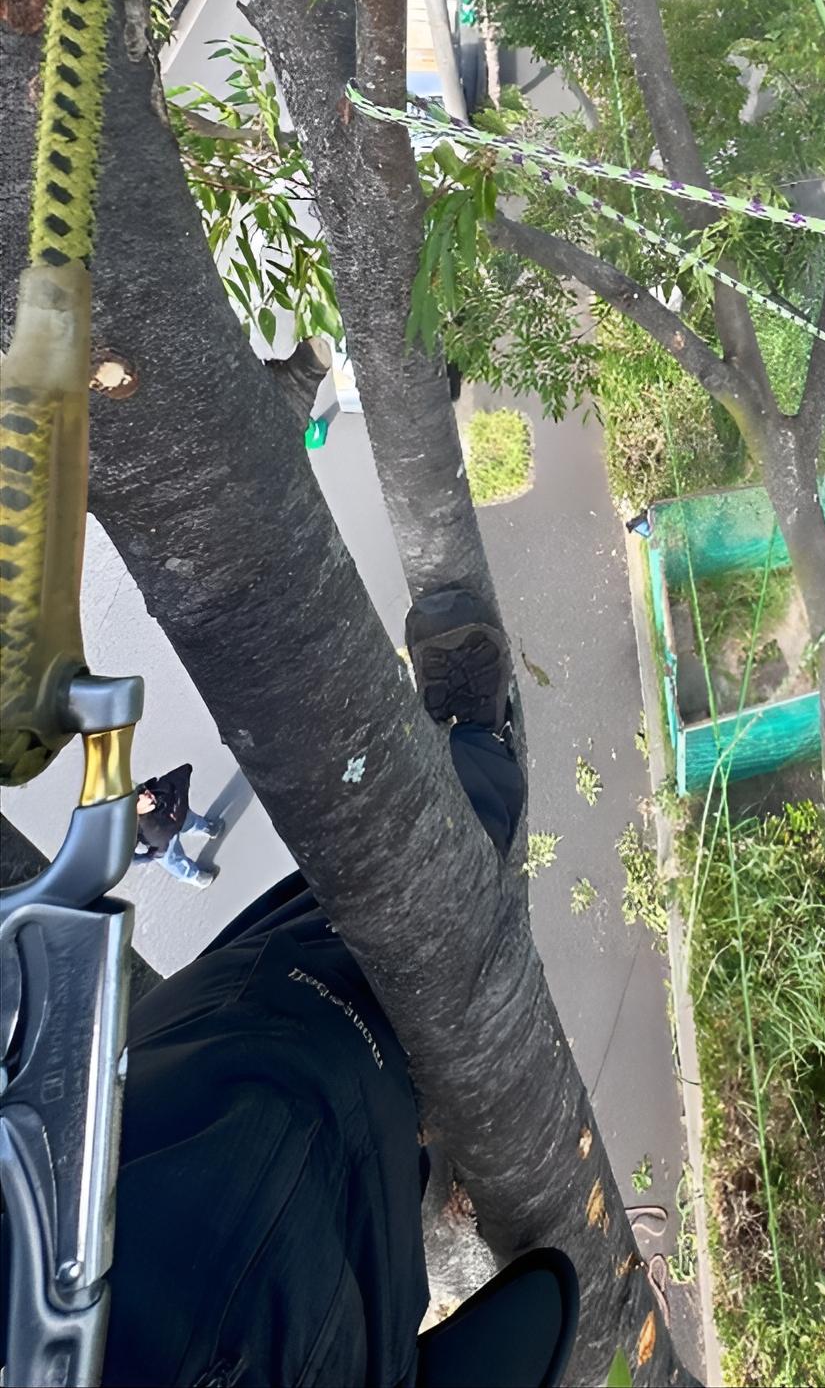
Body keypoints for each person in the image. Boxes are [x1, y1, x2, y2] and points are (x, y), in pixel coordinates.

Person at [102, 594, 578, 1388]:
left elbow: (538, 1311)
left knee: (363, 913)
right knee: (405, 909)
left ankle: (468, 749)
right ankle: (473, 746)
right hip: (252, 1092)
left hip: (256, 1105)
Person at [134, 763, 224, 887]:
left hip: (168, 813)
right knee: (172, 858)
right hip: (158, 839)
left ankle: (208, 829)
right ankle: (196, 877)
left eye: (142, 792)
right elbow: (124, 857)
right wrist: (145, 857)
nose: (144, 795)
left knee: (187, 820)